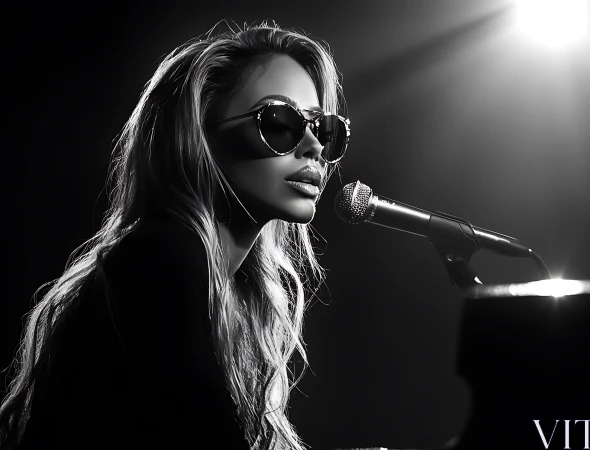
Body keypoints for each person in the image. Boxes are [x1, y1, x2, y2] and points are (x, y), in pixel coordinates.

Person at [0, 20, 351, 450]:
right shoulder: (159, 256)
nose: (314, 147)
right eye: (280, 121)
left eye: (325, 129)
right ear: (199, 134)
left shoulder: (231, 293)